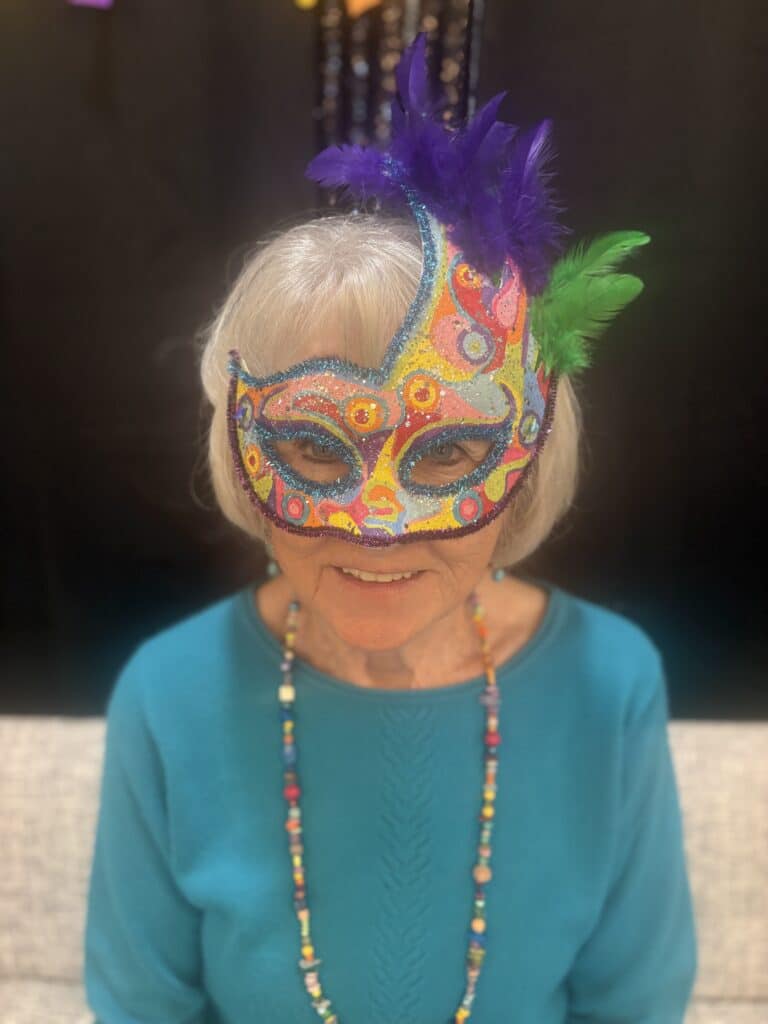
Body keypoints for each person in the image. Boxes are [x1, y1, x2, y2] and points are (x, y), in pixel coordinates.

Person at [83, 33, 697, 1024]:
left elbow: (635, 1003)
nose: (376, 526)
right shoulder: (168, 694)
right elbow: (139, 1003)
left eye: (451, 450)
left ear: (531, 452)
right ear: (240, 446)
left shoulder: (609, 683)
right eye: (313, 446)